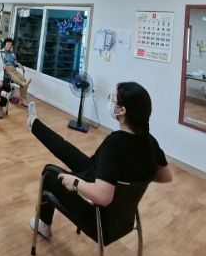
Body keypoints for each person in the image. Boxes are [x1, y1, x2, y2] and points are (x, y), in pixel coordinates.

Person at [26, 82, 172, 239]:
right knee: (66, 149)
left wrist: (75, 182)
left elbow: (103, 197)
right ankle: (34, 122)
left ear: (122, 110)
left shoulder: (114, 144)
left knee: (49, 174)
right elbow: (166, 177)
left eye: (112, 99)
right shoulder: (150, 142)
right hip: (119, 214)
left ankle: (44, 226)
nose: (110, 102)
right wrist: (131, 181)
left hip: (96, 214)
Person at [0, 37, 32, 107]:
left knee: (23, 79)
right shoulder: (0, 52)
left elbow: (14, 61)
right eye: (8, 44)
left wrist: (18, 64)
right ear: (4, 44)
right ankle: (22, 84)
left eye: (11, 45)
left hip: (13, 68)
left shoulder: (12, 53)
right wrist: (2, 64)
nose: (9, 46)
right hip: (5, 69)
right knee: (13, 76)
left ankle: (23, 100)